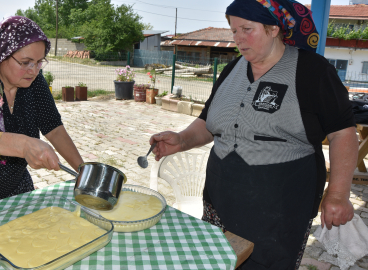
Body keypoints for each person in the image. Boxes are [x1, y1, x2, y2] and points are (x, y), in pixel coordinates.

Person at [150, 1, 358, 269]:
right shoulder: (231, 69)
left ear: (273, 28)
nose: (238, 38)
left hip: (281, 205)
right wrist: (181, 140)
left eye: (247, 29)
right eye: (234, 30)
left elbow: (343, 133)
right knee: (219, 260)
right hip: (221, 195)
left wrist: (338, 194)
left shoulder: (313, 71)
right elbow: (208, 123)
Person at [0, 16, 83, 210]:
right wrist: (22, 145)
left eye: (39, 62)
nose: (33, 70)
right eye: (25, 62)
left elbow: (54, 128)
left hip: (18, 192)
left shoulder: (34, 83)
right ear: (2, 55)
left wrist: (83, 172)